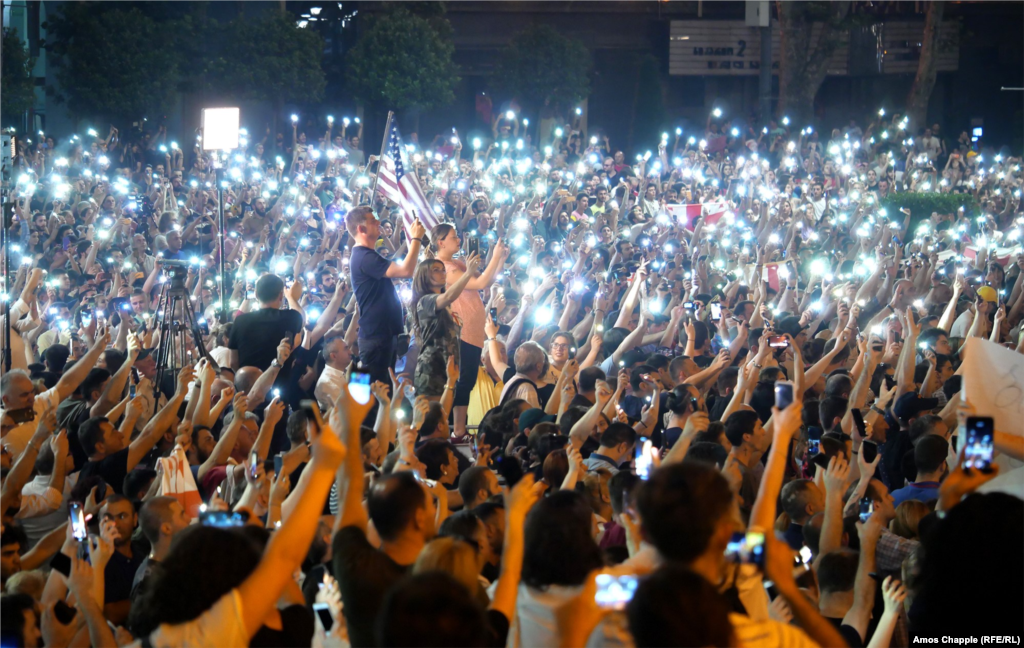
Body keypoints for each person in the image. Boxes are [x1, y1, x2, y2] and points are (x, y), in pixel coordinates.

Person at [431, 224, 508, 437]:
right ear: (441, 242)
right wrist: (494, 256)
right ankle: (455, 429)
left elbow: (487, 281)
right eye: (454, 237)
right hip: (460, 333)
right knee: (461, 381)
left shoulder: (457, 263)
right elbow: (481, 281)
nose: (459, 240)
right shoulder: (444, 268)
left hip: (472, 334)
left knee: (467, 381)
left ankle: (458, 429)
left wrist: (499, 260)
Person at [347, 205, 425, 388]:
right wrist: (416, 238)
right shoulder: (364, 257)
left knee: (385, 392)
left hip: (382, 335)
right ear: (361, 228)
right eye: (373, 221)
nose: (379, 222)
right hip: (375, 338)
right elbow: (406, 270)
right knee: (375, 395)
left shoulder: (367, 255)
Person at [409, 252, 481, 399]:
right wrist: (468, 273)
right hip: (431, 369)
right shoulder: (426, 300)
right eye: (436, 270)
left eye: (443, 270)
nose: (442, 273)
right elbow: (448, 296)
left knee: (442, 420)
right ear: (424, 276)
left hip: (447, 370)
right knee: (431, 419)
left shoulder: (446, 305)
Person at [226, 274, 303, 371]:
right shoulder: (292, 317)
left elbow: (233, 362)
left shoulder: (240, 320)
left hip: (249, 382)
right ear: (280, 295)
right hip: (279, 381)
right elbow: (301, 317)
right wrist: (290, 297)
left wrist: (244, 378)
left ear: (256, 295)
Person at [132, 496, 192, 603]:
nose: (189, 519)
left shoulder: (172, 563)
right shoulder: (150, 582)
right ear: (166, 528)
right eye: (182, 515)